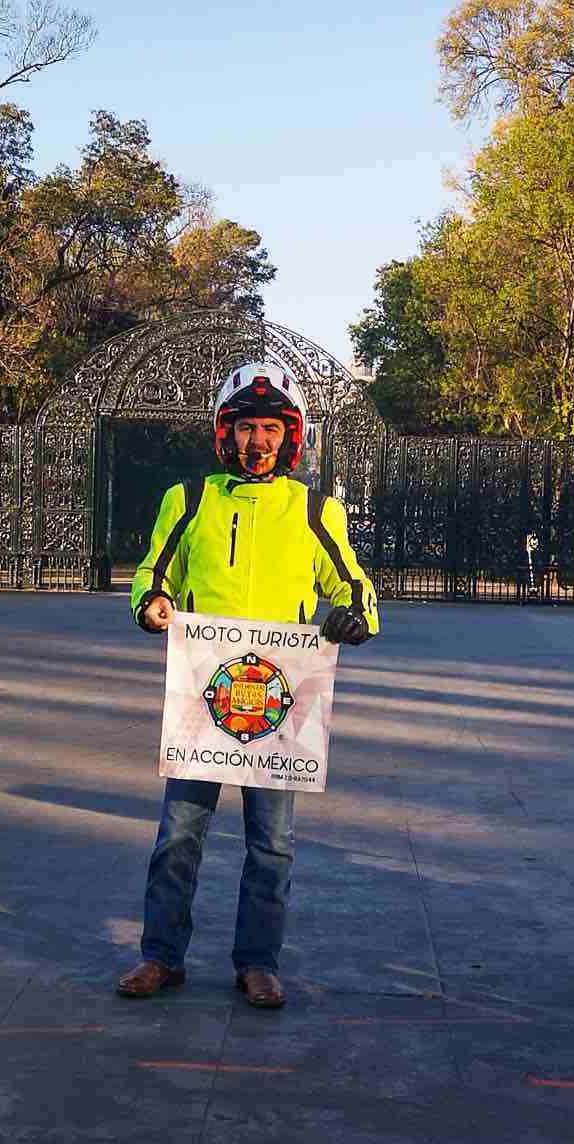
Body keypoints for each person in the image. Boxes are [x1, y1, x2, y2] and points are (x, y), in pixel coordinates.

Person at [116, 361, 379, 1010]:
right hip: (204, 700)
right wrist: (151, 605)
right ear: (223, 433)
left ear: (289, 436)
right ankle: (161, 956)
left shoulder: (315, 511)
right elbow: (154, 573)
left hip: (281, 709)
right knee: (179, 833)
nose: (255, 442)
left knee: (272, 845)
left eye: (268, 428)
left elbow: (356, 590)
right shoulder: (190, 501)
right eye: (243, 428)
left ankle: (258, 962)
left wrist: (355, 618)